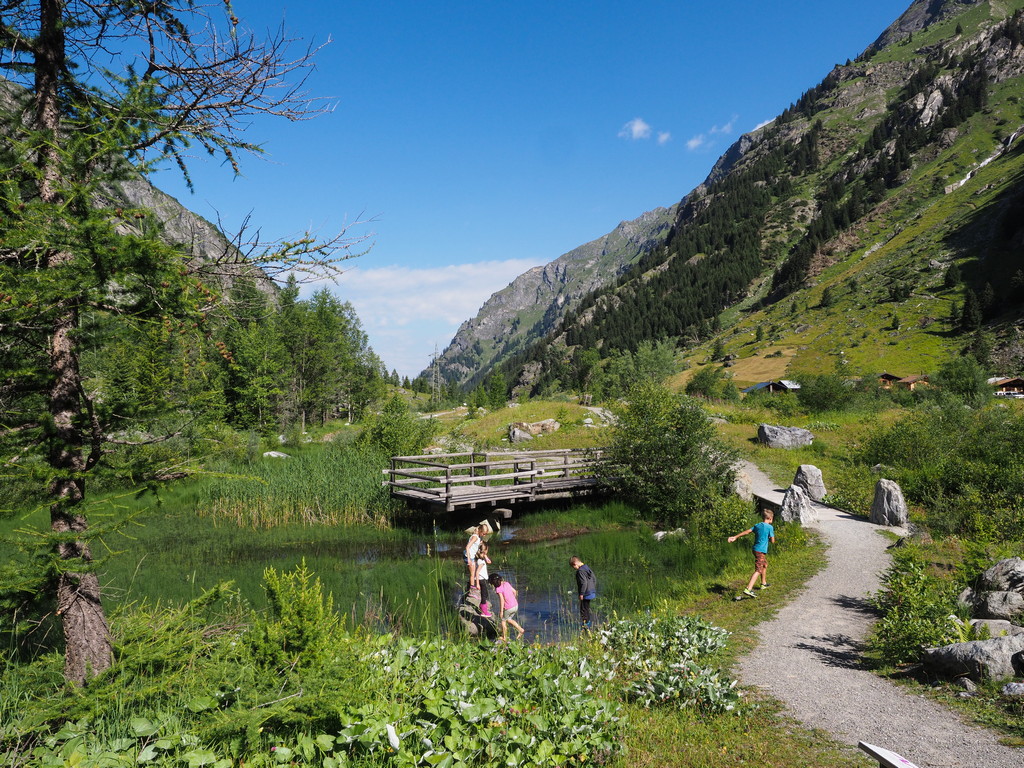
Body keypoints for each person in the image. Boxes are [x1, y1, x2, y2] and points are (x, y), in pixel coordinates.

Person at [728, 508, 776, 599]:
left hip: (755, 549)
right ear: (770, 518)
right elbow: (773, 541)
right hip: (761, 551)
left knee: (764, 564)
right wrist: (770, 538)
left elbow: (747, 531)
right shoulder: (770, 527)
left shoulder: (757, 525)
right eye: (772, 518)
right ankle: (748, 589)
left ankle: (763, 584)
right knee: (758, 570)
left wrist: (735, 537)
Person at [489, 573, 524, 641]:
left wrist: (501, 611)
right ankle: (520, 630)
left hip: (508, 607)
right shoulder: (507, 583)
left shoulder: (498, 589)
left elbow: (502, 600)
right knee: (509, 619)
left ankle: (504, 637)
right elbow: (515, 592)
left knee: (503, 621)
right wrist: (513, 600)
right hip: (515, 605)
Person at [570, 556, 597, 628]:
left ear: (575, 563)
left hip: (586, 593)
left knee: (583, 610)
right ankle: (588, 623)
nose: (574, 569)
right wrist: (593, 588)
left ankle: (586, 625)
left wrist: (581, 593)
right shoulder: (587, 567)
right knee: (586, 608)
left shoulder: (580, 571)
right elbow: (594, 578)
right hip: (591, 592)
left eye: (573, 567)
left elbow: (584, 583)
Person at [464, 523, 489, 590]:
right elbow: (467, 547)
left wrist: (486, 557)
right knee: (472, 574)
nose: (484, 535)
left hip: (472, 556)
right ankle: (472, 589)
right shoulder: (475, 537)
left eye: (485, 534)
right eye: (483, 533)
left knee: (474, 573)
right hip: (468, 556)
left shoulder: (478, 536)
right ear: (480, 531)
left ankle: (472, 586)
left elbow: (480, 546)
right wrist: (469, 559)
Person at [475, 541, 493, 617]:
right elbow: (477, 572)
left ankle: (482, 606)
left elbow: (489, 562)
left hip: (483, 579)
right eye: (487, 550)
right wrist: (477, 584)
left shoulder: (480, 559)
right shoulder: (481, 562)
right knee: (484, 595)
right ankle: (484, 611)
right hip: (481, 580)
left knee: (485, 594)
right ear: (485, 550)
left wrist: (485, 556)